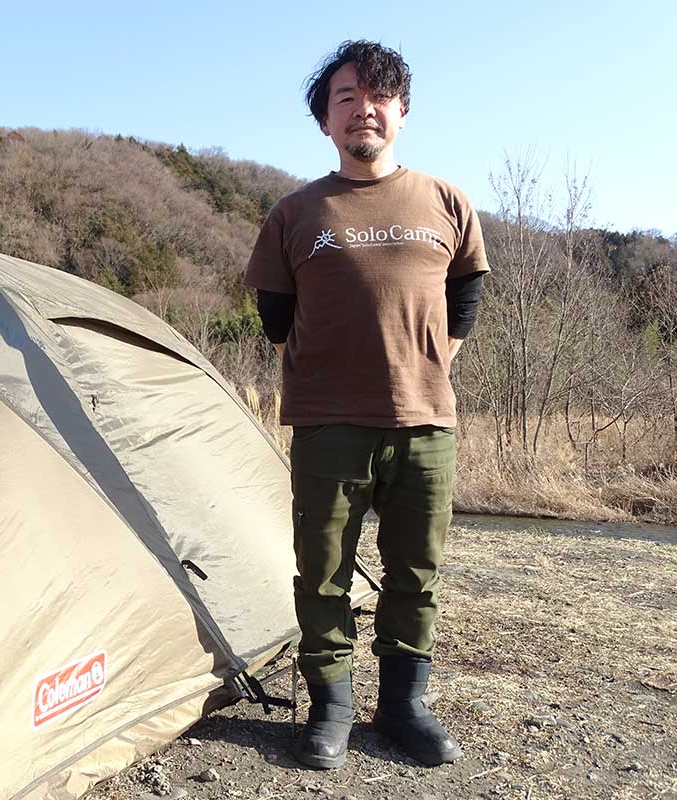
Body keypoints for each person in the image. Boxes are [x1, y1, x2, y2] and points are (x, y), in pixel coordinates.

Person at [243, 39, 489, 770]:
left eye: (378, 97)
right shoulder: (296, 212)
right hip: (327, 426)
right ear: (326, 121)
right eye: (345, 97)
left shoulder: (446, 202)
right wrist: (329, 375)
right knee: (322, 575)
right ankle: (332, 710)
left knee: (417, 573)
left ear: (402, 113)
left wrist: (433, 362)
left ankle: (405, 708)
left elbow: (467, 295)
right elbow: (274, 316)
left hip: (424, 425)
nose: (363, 109)